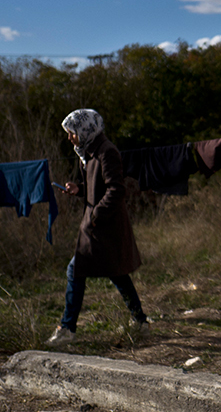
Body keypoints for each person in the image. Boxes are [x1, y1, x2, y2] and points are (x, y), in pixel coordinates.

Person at [48, 109, 150, 345]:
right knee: (117, 274)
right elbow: (99, 186)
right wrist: (79, 189)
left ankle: (67, 329)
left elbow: (116, 189)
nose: (69, 138)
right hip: (99, 227)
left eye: (71, 132)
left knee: (77, 271)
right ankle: (140, 321)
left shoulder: (107, 152)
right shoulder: (90, 152)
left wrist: (95, 215)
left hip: (105, 227)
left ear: (85, 129)